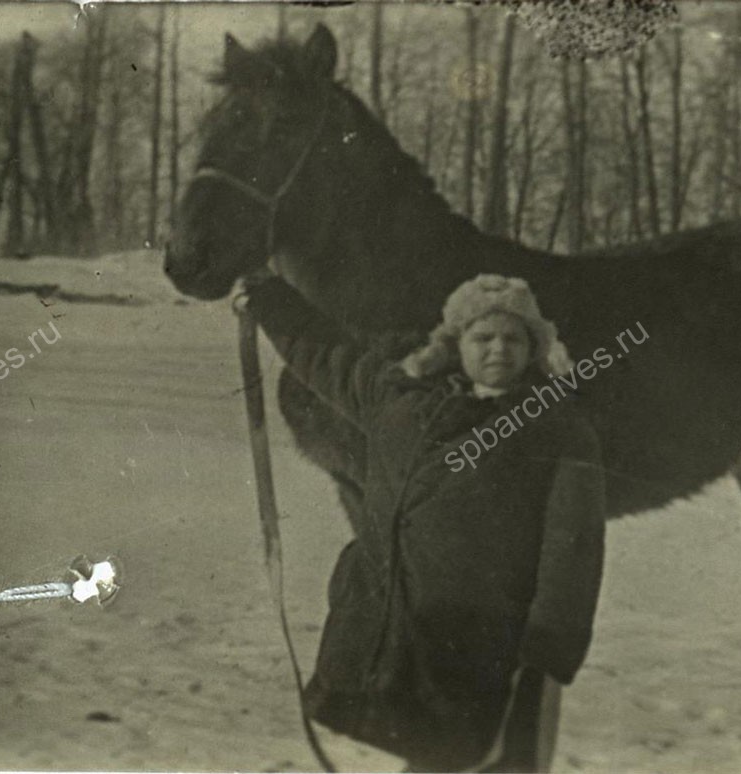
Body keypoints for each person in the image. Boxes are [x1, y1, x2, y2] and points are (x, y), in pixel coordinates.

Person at [241, 272, 606, 772]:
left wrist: (549, 646)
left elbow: (574, 543)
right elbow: (327, 354)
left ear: (534, 348)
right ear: (456, 345)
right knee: (433, 755)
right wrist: (267, 298)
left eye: (513, 338)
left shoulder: (558, 430)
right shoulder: (401, 403)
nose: (498, 349)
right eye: (483, 337)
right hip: (400, 631)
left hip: (490, 644)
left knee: (485, 759)